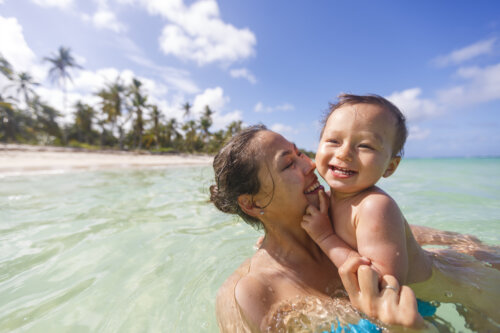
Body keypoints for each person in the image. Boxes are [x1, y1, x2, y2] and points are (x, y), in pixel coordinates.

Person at [301, 94, 500, 330]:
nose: (344, 153)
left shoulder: (374, 206)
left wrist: (325, 238)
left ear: (390, 166)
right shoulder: (328, 198)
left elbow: (381, 287)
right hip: (441, 266)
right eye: (333, 141)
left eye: (364, 145)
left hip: (469, 286)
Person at [210, 125, 436, 332]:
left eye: (299, 154)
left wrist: (460, 242)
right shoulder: (254, 292)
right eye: (289, 164)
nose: (311, 164)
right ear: (252, 203)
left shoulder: (343, 216)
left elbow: (405, 235)